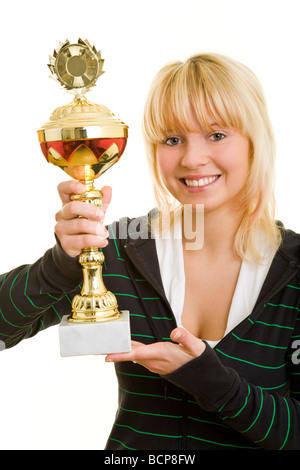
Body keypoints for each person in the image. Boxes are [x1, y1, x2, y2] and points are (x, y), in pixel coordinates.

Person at [0, 53, 300, 450]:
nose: (192, 159)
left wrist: (212, 382)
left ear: (254, 142)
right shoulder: (120, 248)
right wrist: (59, 265)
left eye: (217, 134)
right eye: (172, 139)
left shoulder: (294, 270)